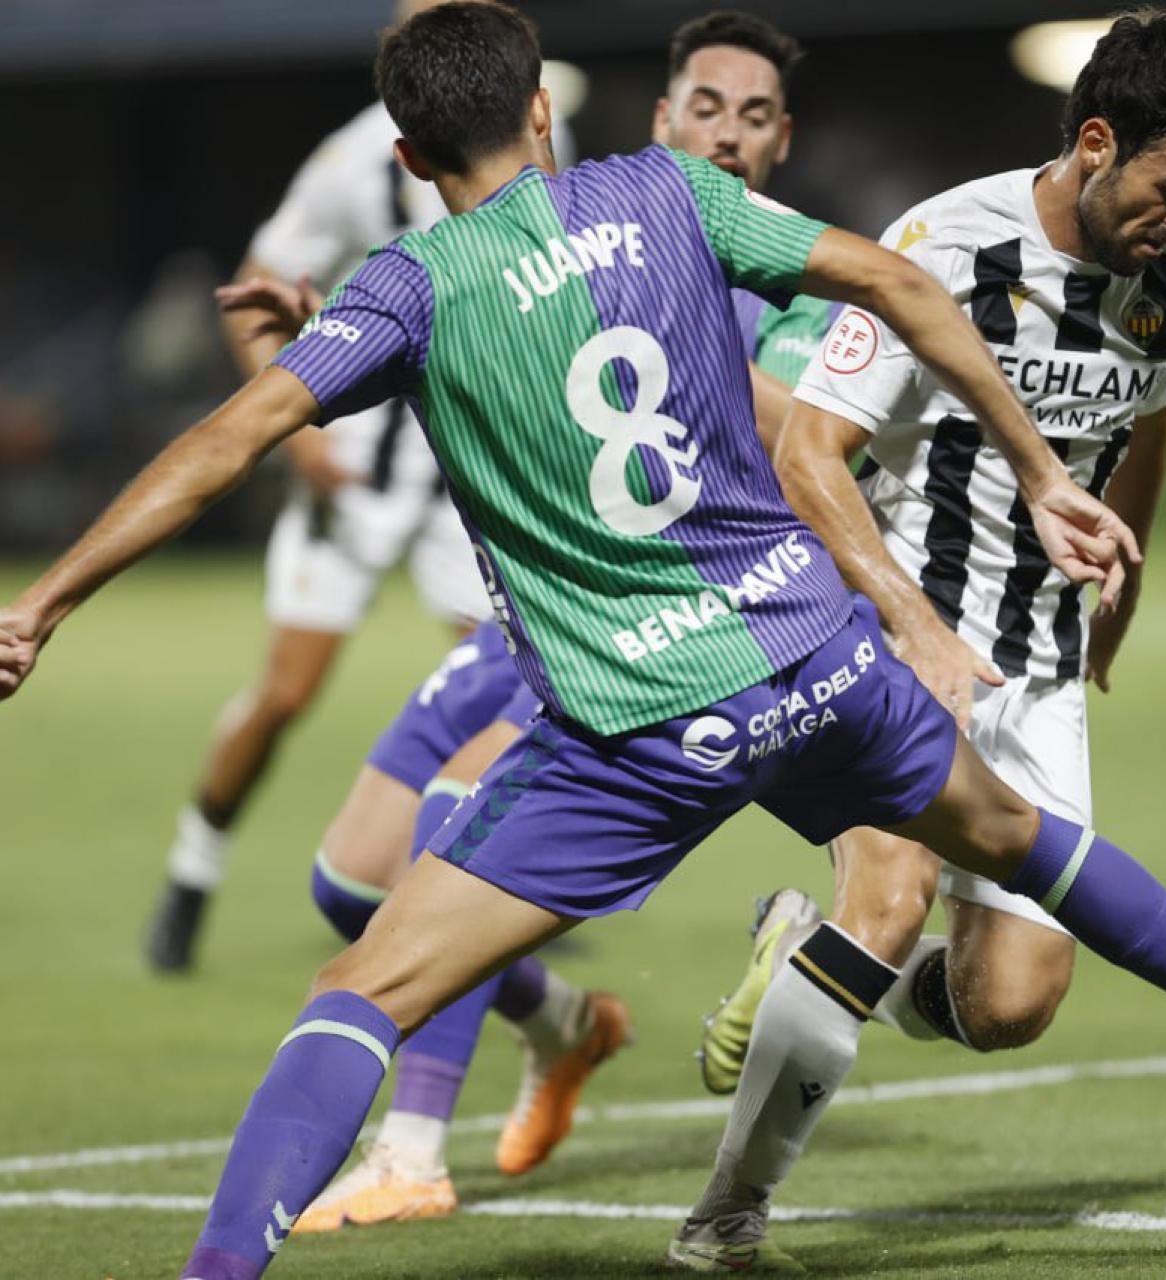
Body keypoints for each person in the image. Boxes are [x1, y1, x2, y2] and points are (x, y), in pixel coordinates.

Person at [0, 7, 1166, 1278]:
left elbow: (223, 444)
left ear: (414, 153)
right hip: (820, 662)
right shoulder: (673, 194)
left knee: (361, 983)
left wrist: (44, 601)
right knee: (1021, 843)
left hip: (643, 727)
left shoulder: (409, 288)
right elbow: (900, 290)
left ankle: (228, 1264)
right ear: (545, 113)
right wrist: (1035, 466)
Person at [680, 9, 1166, 1267]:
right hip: (888, 632)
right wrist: (902, 621)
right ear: (1093, 140)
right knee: (891, 896)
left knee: (1007, 1003)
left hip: (1037, 662)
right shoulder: (941, 246)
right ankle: (727, 1214)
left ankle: (801, 954)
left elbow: (1144, 426)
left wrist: (1123, 588)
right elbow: (808, 453)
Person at [265, 9, 845, 1231]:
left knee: (449, 819)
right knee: (342, 883)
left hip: (652, 626)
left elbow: (792, 435)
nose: (725, 135)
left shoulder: (773, 269)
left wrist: (610, 317)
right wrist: (344, 341)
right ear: (659, 121)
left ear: (781, 139)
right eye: (704, 109)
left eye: (752, 118)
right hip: (520, 615)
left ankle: (411, 1150)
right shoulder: (595, 222)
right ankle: (567, 1023)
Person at [140, 0, 574, 974]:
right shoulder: (350, 163)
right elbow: (258, 282)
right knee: (285, 692)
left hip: (470, 483)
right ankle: (191, 872)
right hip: (357, 481)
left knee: (517, 682)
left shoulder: (533, 131)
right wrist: (297, 445)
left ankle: (503, 880)